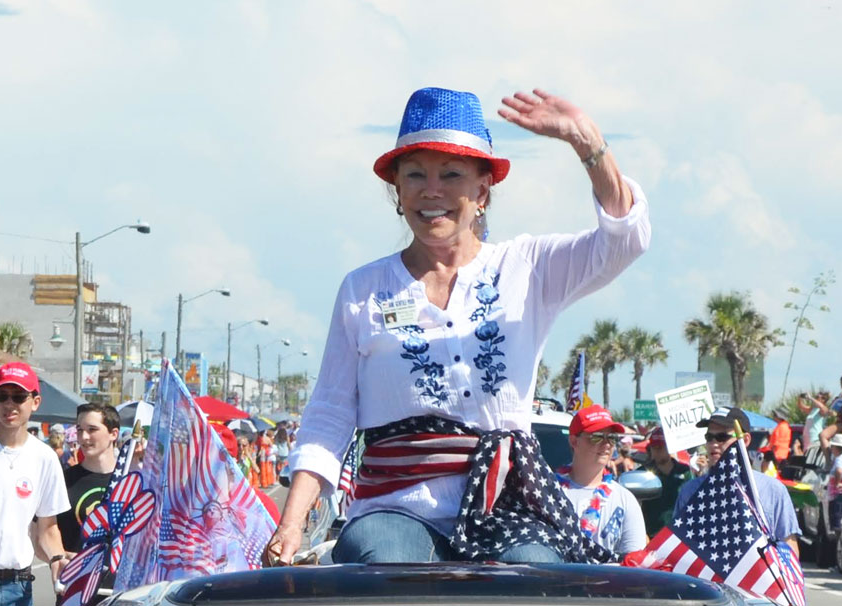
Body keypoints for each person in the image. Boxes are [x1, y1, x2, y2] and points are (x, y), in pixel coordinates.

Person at [273, 86, 650, 565]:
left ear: (482, 192)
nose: (433, 191)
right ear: (398, 192)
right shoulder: (362, 289)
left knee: (538, 580)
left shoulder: (526, 268)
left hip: (508, 510)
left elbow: (624, 241)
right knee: (392, 569)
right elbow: (329, 415)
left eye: (451, 175)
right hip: (395, 510)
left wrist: (586, 140)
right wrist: (290, 526)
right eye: (415, 176)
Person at [0, 362, 71, 606]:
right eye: (2, 396)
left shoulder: (44, 458)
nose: (9, 404)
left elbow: (47, 528)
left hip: (17, 587)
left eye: (19, 396)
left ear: (35, 402)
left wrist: (57, 558)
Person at [674, 407, 801, 555]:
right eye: (709, 437)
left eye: (722, 437)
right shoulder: (690, 491)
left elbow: (789, 549)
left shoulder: (773, 490)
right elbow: (678, 547)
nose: (714, 443)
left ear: (745, 440)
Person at [556, 406, 646, 556]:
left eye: (612, 438)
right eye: (596, 436)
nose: (607, 444)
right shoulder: (549, 491)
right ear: (574, 441)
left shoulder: (625, 500)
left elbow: (634, 564)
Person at [55, 404, 120, 554]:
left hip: (119, 575)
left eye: (92, 429)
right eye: (80, 430)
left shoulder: (129, 482)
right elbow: (42, 534)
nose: (83, 437)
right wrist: (62, 558)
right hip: (73, 575)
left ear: (113, 434)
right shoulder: (63, 480)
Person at [209, 423, 281, 525]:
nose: (241, 447)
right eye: (239, 445)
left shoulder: (261, 505)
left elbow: (257, 470)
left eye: (244, 445)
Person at [640, 427, 692, 536]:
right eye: (654, 447)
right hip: (651, 534)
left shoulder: (685, 471)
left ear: (669, 447)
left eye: (661, 447)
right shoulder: (642, 473)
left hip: (680, 533)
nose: (657, 450)